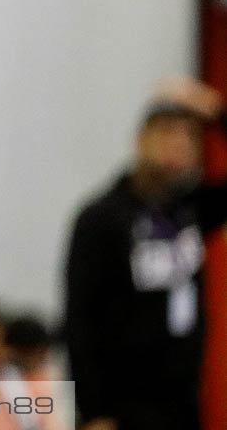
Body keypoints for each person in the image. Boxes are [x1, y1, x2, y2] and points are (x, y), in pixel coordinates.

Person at [64, 78, 227, 430]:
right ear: (140, 141)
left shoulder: (190, 208)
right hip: (123, 405)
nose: (179, 143)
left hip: (183, 398)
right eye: (168, 132)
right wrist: (93, 411)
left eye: (189, 136)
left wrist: (215, 111)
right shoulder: (102, 217)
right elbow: (79, 319)